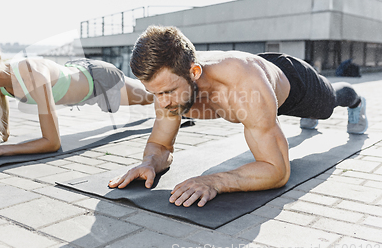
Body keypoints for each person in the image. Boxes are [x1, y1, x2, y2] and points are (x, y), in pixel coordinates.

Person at [109, 25, 368, 208]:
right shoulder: (171, 87)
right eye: (155, 93)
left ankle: (356, 101)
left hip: (294, 82)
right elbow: (161, 144)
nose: (162, 102)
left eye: (168, 91)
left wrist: (216, 181)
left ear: (195, 71)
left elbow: (277, 171)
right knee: (265, 120)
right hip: (259, 82)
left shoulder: (243, 88)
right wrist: (150, 162)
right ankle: (282, 118)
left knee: (329, 104)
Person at [0, 34, 153, 165]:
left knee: (152, 97)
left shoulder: (31, 73)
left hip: (97, 79)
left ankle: (186, 94)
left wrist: (2, 150)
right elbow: (2, 135)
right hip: (76, 78)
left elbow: (52, 142)